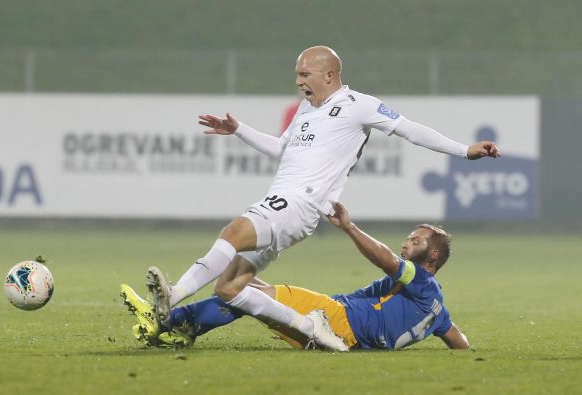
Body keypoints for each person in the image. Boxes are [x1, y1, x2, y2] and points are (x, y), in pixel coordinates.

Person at [145, 45, 497, 351]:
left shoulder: (358, 104)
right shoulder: (306, 108)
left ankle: (173, 296)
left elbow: (411, 130)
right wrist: (239, 130)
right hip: (282, 198)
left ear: (328, 74)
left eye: (304, 73)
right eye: (296, 74)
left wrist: (464, 151)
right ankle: (311, 329)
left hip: (301, 203)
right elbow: (282, 149)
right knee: (230, 286)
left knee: (233, 233)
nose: (298, 81)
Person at [120, 202, 468, 351]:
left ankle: (164, 319)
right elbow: (459, 342)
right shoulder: (437, 310)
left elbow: (386, 259)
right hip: (340, 328)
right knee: (246, 290)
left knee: (232, 283)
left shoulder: (422, 281)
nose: (407, 243)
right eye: (409, 237)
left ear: (432, 256)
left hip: (334, 323)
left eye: (416, 240)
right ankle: (178, 328)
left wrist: (349, 228)